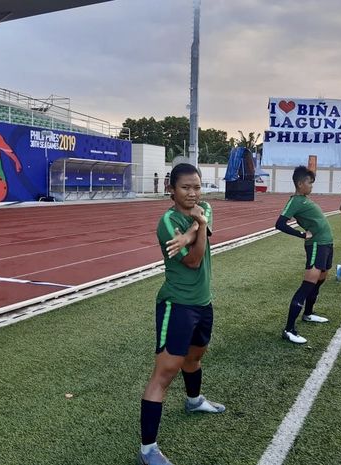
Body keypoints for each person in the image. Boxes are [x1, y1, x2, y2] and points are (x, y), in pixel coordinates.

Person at [139, 163, 224, 465]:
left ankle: (194, 401)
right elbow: (194, 260)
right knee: (165, 372)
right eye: (186, 187)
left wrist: (191, 232)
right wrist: (196, 230)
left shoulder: (206, 208)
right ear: (171, 189)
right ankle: (148, 449)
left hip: (203, 302)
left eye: (197, 187)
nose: (193, 193)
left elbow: (202, 226)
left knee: (196, 357)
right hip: (177, 305)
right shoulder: (166, 221)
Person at [275, 165, 333, 345]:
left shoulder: (305, 199)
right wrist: (301, 234)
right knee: (307, 285)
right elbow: (280, 223)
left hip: (326, 244)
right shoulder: (295, 201)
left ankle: (308, 314)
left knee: (321, 279)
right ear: (300, 184)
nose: (311, 186)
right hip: (316, 245)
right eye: (309, 183)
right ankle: (289, 329)